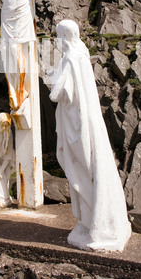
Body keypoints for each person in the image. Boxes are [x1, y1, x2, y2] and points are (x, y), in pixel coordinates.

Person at [49, 20, 131, 252]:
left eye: (58, 36)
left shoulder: (70, 59)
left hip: (76, 125)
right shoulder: (82, 52)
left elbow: (57, 93)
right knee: (93, 167)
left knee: (81, 169)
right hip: (87, 121)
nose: (57, 42)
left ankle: (94, 222)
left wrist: (50, 76)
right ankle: (92, 221)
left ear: (64, 36)